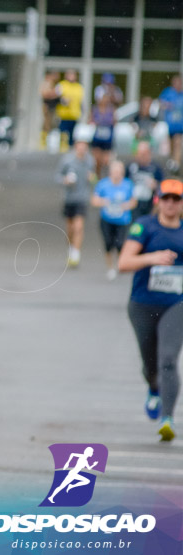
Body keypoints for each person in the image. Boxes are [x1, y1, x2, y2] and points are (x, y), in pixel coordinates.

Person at [119, 179, 183, 442]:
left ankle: (167, 418)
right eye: (165, 198)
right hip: (143, 304)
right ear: (158, 200)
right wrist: (151, 258)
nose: (170, 204)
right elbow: (124, 262)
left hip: (176, 305)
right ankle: (153, 388)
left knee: (168, 358)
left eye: (175, 199)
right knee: (151, 364)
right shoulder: (144, 227)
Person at [91, 160, 136, 281]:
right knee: (108, 244)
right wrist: (104, 202)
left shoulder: (128, 185)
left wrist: (125, 206)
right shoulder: (103, 184)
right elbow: (94, 200)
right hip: (107, 219)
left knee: (120, 243)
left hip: (123, 220)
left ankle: (120, 263)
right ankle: (110, 267)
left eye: (119, 172)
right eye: (115, 172)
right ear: (110, 172)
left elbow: (134, 201)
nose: (117, 174)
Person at [59, 140, 96, 268]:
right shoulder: (67, 160)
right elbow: (57, 176)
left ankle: (76, 253)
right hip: (69, 198)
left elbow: (94, 179)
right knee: (70, 228)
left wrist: (92, 178)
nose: (82, 150)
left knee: (78, 226)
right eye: (80, 147)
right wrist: (65, 180)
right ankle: (71, 247)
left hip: (82, 198)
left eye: (84, 147)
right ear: (76, 147)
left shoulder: (90, 161)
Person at [128, 141, 164, 218]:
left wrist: (156, 185)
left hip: (150, 203)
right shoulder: (131, 166)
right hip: (133, 203)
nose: (141, 157)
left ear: (149, 154)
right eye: (139, 154)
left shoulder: (156, 168)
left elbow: (163, 187)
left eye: (144, 154)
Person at [88, 85, 117, 177]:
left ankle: (106, 177)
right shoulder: (95, 109)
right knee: (97, 160)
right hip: (97, 138)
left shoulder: (111, 109)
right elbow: (90, 121)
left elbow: (115, 122)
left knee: (107, 161)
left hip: (107, 139)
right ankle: (98, 177)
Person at [158, 74, 183, 172]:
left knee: (177, 142)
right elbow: (160, 103)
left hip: (180, 126)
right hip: (170, 125)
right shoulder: (168, 92)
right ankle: (172, 162)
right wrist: (167, 105)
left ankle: (176, 164)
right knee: (171, 145)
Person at [56, 69, 84, 150]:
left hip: (74, 115)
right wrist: (63, 100)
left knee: (72, 135)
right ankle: (62, 150)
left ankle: (70, 150)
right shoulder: (62, 85)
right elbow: (55, 98)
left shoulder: (79, 87)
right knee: (63, 134)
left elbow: (80, 101)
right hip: (64, 115)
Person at [40, 71, 62, 150]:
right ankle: (43, 143)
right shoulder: (46, 83)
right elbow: (45, 94)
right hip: (48, 107)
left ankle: (50, 143)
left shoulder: (54, 84)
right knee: (47, 125)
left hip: (53, 107)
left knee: (52, 125)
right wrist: (55, 93)